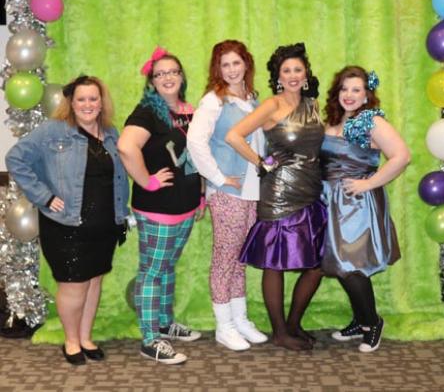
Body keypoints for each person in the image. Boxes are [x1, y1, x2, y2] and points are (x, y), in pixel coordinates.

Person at [6, 75, 129, 365]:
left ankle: (86, 337)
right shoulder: (53, 130)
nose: (88, 104)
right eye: (81, 99)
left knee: (94, 281)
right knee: (74, 284)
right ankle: (71, 341)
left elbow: (121, 175)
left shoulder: (111, 133)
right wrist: (44, 196)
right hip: (66, 223)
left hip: (105, 222)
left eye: (93, 98)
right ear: (71, 103)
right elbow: (15, 159)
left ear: (101, 102)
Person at [225, 43, 327, 351]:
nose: (293, 75)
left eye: (298, 69)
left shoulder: (313, 104)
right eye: (286, 71)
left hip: (311, 191)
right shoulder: (271, 105)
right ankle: (280, 332)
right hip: (280, 194)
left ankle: (294, 324)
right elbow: (234, 136)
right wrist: (261, 162)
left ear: (305, 74)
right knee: (276, 263)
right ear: (278, 77)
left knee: (317, 264)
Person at [117, 46, 203, 365]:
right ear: (152, 81)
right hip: (158, 208)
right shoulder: (147, 112)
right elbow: (126, 147)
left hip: (186, 204)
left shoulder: (188, 110)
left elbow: (192, 156)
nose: (167, 77)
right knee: (153, 271)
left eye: (173, 72)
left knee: (167, 267)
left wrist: (201, 194)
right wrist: (147, 181)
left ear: (182, 77)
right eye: (160, 74)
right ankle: (150, 339)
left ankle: (165, 324)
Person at [320, 66, 410, 352]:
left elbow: (402, 156)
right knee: (340, 264)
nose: (349, 95)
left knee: (352, 267)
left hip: (356, 204)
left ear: (366, 94)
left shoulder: (371, 121)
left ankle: (373, 323)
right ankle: (360, 320)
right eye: (344, 89)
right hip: (331, 201)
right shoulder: (334, 120)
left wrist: (368, 183)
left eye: (356, 90)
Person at [187, 40, 267, 351]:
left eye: (236, 62)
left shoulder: (253, 100)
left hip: (251, 192)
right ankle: (224, 326)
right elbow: (195, 143)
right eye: (225, 65)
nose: (232, 70)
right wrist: (218, 177)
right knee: (224, 258)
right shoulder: (213, 101)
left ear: (246, 64)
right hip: (228, 192)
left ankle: (240, 318)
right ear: (217, 69)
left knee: (240, 258)